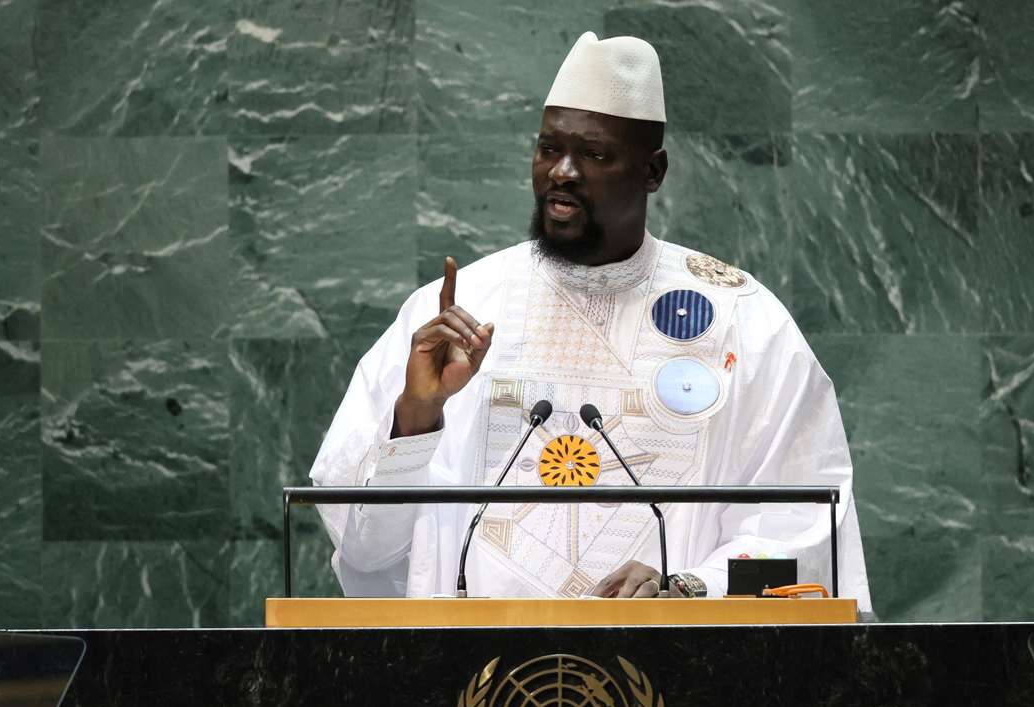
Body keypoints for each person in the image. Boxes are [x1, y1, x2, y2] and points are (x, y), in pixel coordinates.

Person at [310, 31, 871, 610]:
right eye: (549, 148)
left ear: (653, 172)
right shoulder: (454, 315)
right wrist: (417, 419)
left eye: (596, 155)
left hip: (681, 677)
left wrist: (688, 586)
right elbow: (364, 551)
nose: (563, 172)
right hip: (478, 682)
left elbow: (806, 529)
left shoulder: (741, 321)